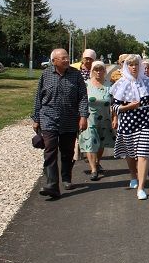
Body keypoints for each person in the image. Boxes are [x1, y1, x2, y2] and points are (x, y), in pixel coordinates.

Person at [32, 48, 88, 198]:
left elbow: (83, 97)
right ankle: (52, 184)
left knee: (67, 151)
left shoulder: (76, 75)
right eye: (62, 58)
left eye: (67, 57)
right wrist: (36, 118)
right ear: (54, 61)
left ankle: (66, 177)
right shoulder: (46, 75)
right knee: (50, 150)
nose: (66, 60)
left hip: (69, 119)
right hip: (48, 118)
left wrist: (83, 116)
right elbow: (38, 98)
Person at [110, 55, 149, 200]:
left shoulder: (147, 83)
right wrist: (127, 107)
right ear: (126, 67)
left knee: (143, 154)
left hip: (145, 122)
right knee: (131, 154)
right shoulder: (120, 83)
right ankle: (133, 175)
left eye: (136, 65)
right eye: (131, 65)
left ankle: (141, 187)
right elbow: (114, 106)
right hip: (127, 122)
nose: (134, 67)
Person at [78, 61, 115, 181]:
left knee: (101, 143)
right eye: (96, 70)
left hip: (105, 118)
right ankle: (93, 169)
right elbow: (81, 102)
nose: (98, 72)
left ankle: (97, 162)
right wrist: (80, 117)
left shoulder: (110, 85)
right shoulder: (85, 85)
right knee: (90, 142)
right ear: (92, 71)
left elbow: (115, 103)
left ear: (105, 71)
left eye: (101, 70)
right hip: (89, 118)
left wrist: (115, 117)